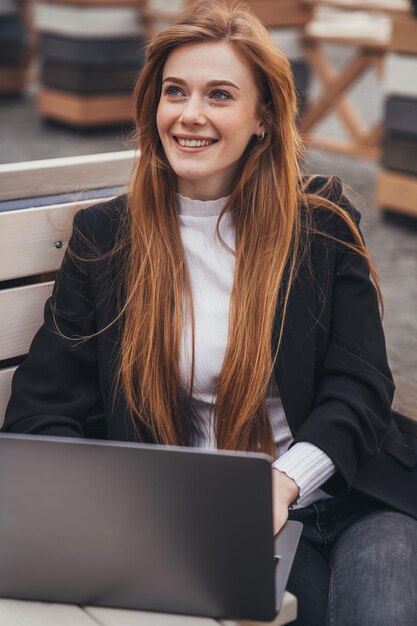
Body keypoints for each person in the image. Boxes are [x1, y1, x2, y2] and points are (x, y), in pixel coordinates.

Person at [2, 1, 417, 624]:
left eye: (219, 95)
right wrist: (121, 501)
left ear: (264, 120)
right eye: (176, 92)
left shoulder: (319, 223)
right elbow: (41, 413)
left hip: (355, 492)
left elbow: (359, 386)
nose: (190, 114)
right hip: (210, 526)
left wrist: (282, 483)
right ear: (154, 106)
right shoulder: (107, 238)